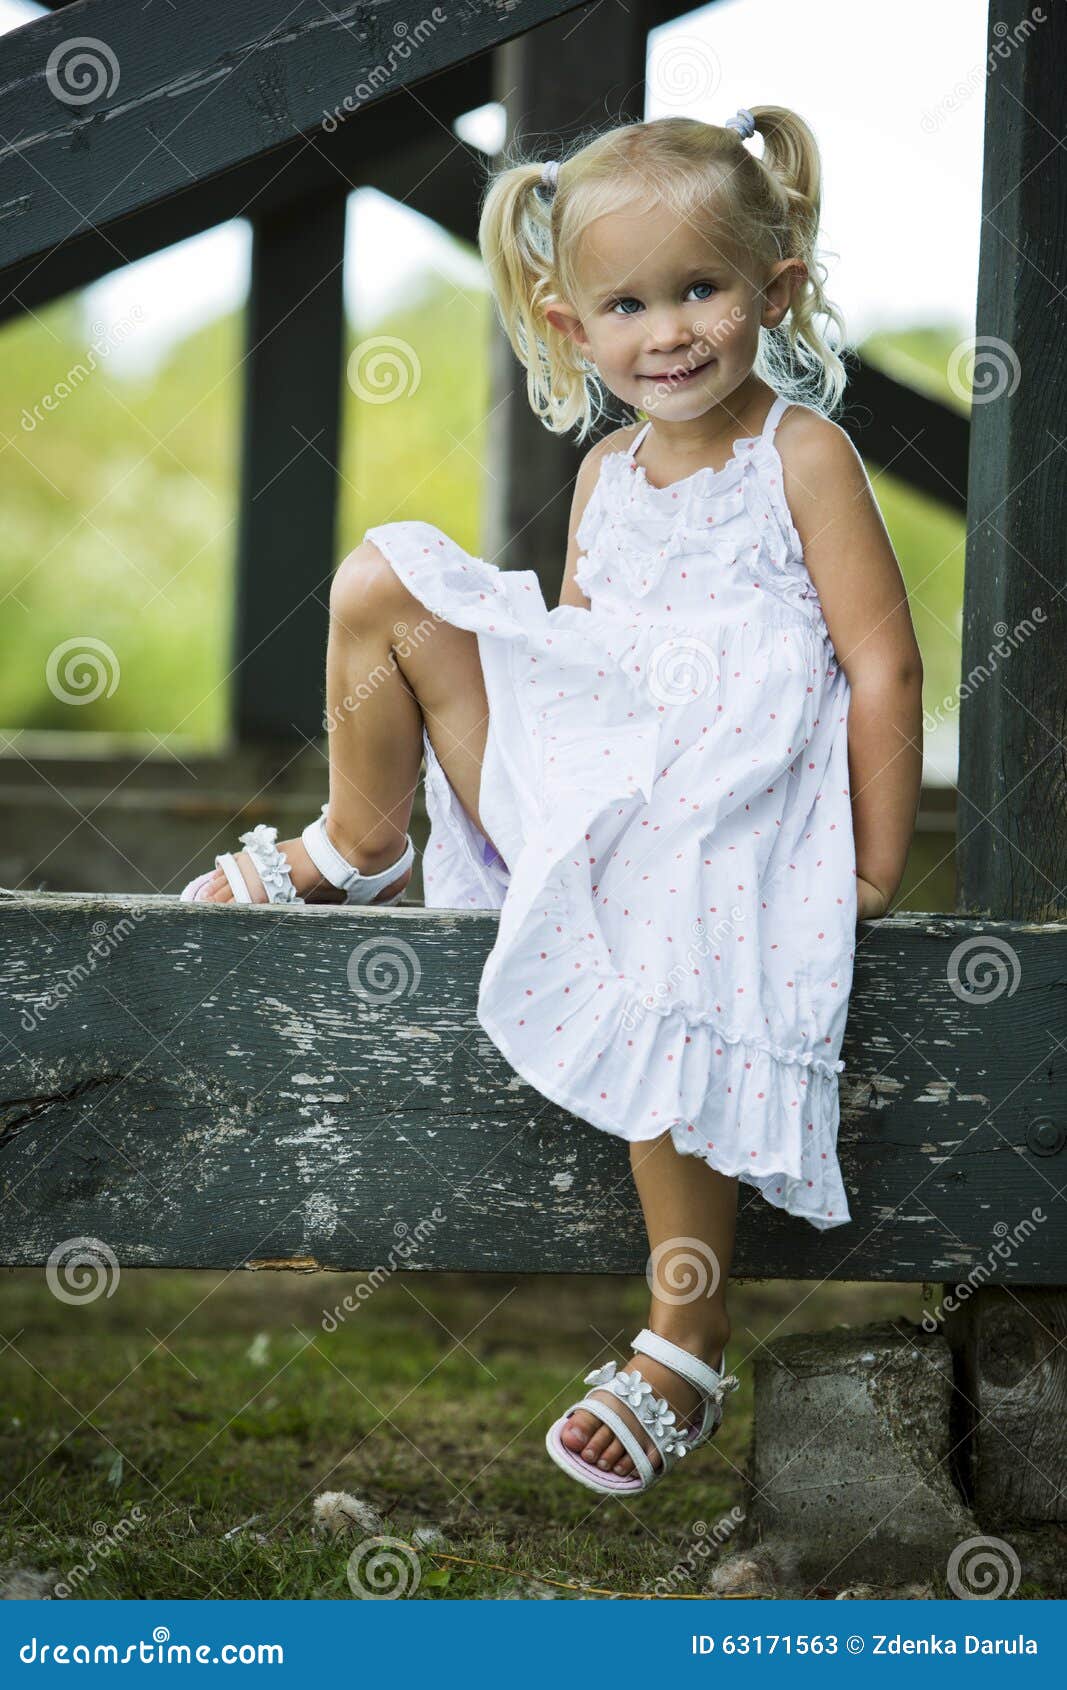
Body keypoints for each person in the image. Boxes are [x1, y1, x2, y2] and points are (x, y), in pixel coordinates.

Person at [182, 105, 923, 1497]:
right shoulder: (605, 473)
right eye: (627, 304)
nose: (669, 332)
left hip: (727, 809)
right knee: (379, 584)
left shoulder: (800, 456)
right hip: (602, 771)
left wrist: (871, 871)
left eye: (700, 290)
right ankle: (359, 836)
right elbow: (578, 653)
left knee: (668, 903)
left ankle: (685, 1333)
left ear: (774, 289)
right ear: (572, 327)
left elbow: (882, 663)